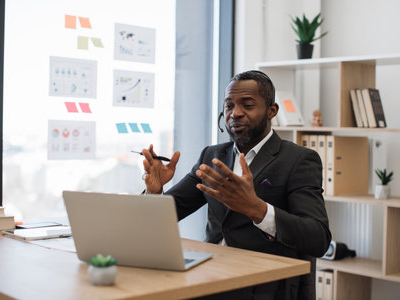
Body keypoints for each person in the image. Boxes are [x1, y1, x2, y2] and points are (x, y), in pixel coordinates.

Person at [141, 70, 331, 300]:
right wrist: (154, 191)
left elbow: (318, 238)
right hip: (210, 279)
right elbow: (169, 213)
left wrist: (257, 209)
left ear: (272, 111)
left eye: (247, 105)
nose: (235, 113)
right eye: (229, 105)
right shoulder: (212, 156)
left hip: (265, 288)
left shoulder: (299, 160)